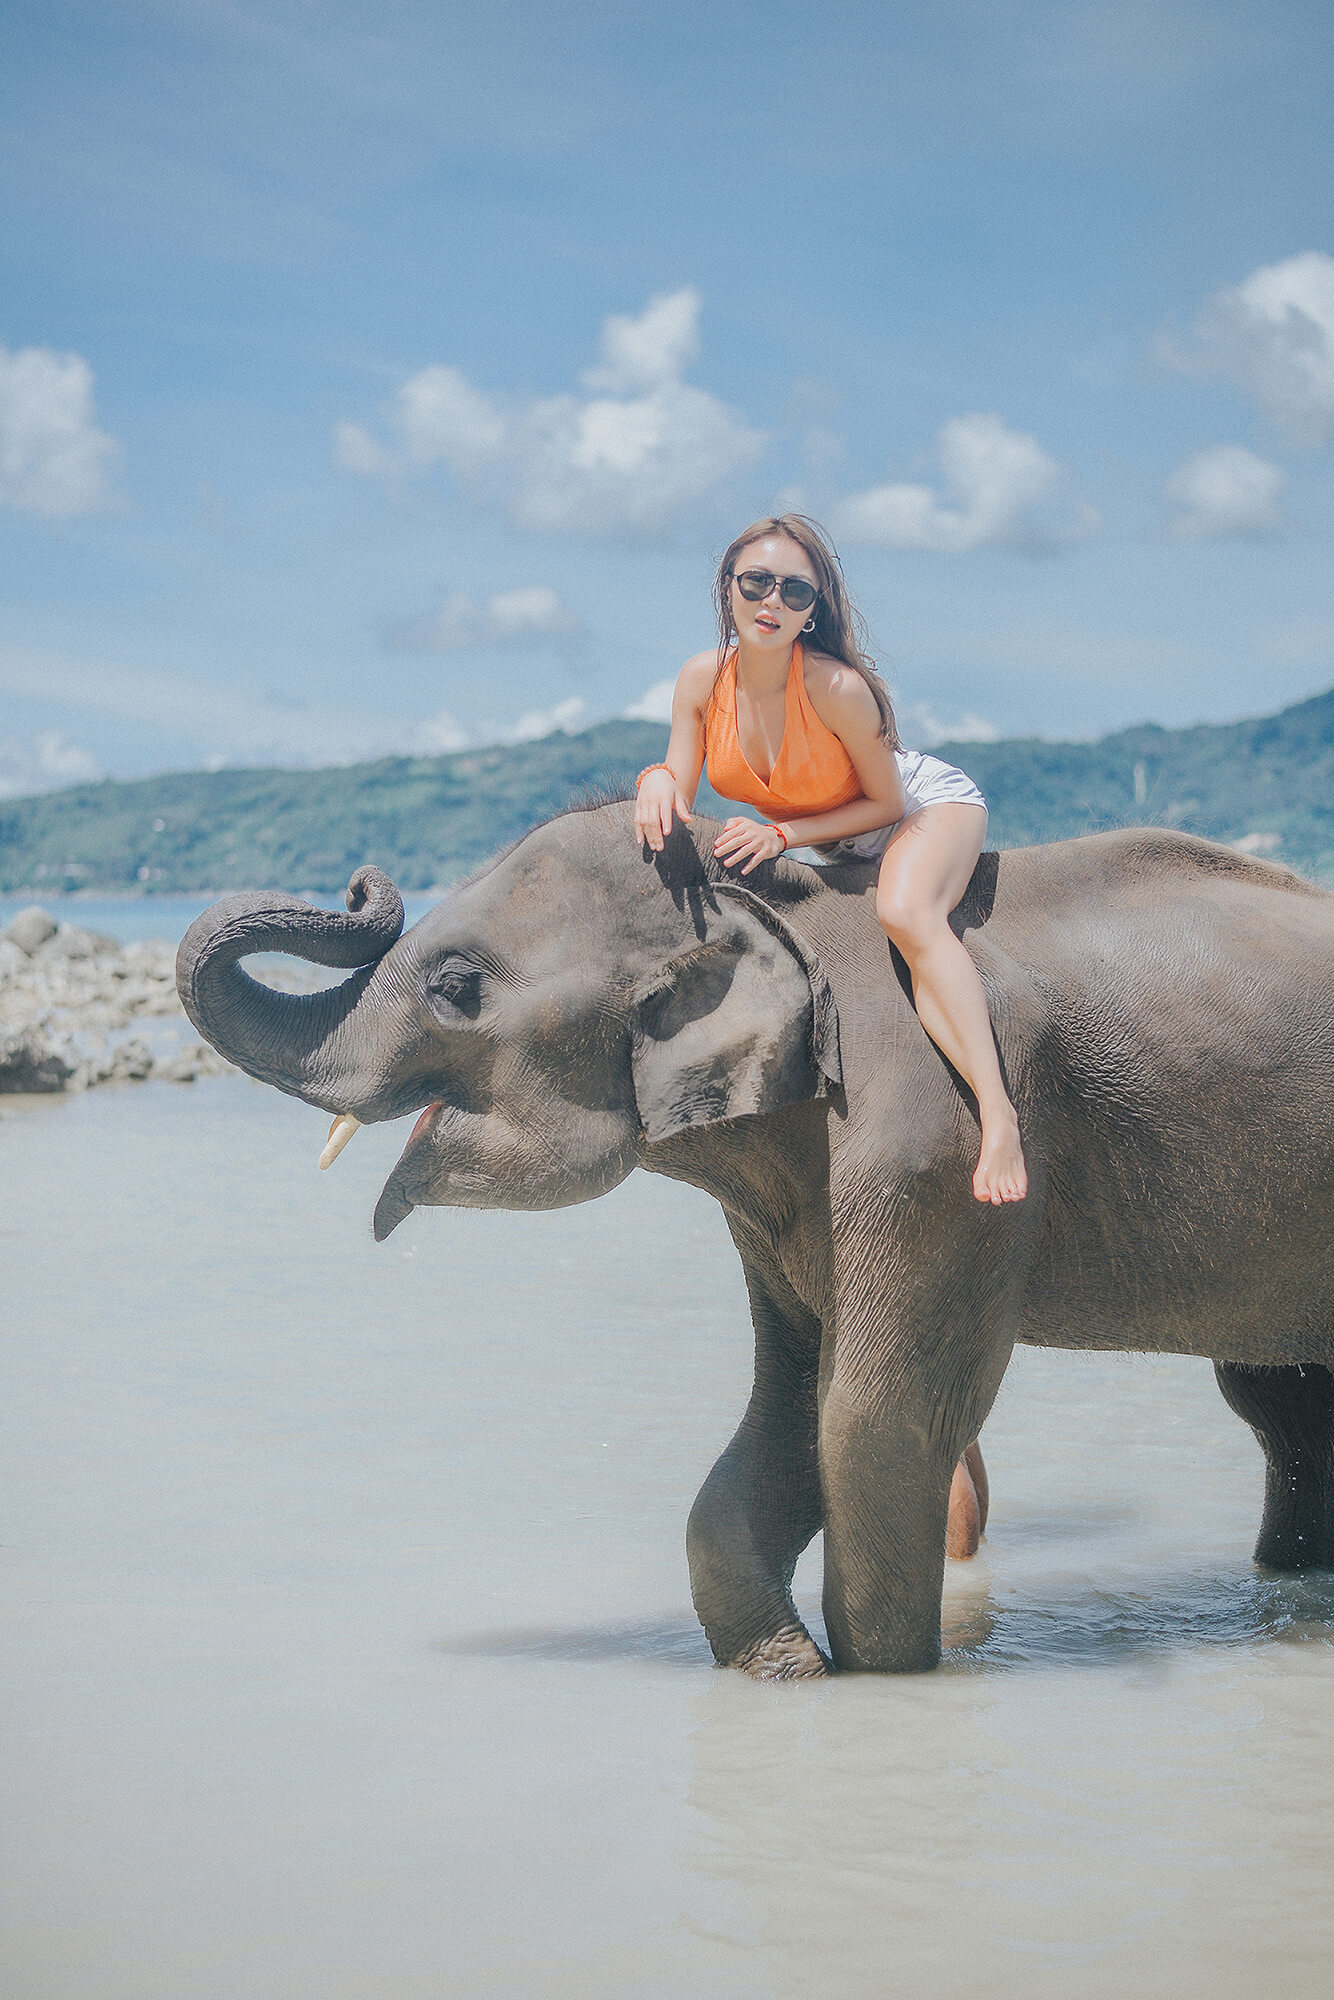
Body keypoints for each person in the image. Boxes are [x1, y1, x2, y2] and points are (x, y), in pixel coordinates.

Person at [633, 512, 1028, 1207]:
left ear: (814, 611)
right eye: (756, 582)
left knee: (906, 913)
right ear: (728, 586)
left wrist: (781, 834)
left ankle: (999, 1117)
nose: (771, 603)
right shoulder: (701, 681)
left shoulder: (835, 687)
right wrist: (656, 781)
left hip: (922, 808)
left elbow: (884, 802)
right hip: (835, 839)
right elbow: (679, 783)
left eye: (795, 592)